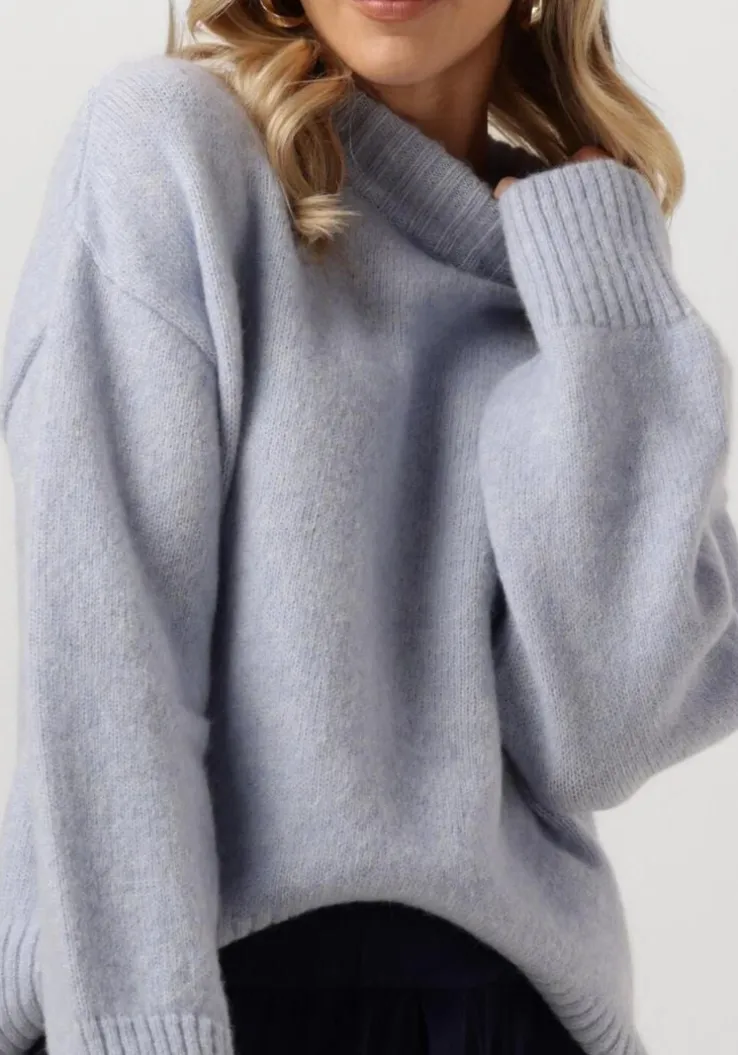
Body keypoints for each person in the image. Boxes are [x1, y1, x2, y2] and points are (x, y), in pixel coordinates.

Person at [1, 0, 737, 1053]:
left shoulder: (563, 266)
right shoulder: (168, 146)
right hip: (211, 996)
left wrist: (606, 307)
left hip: (507, 1014)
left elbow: (601, 736)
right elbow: (107, 675)